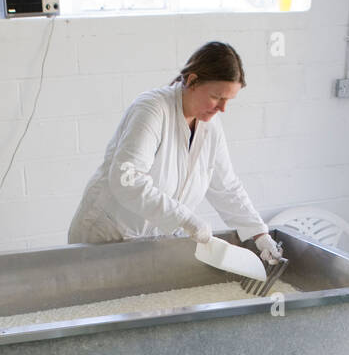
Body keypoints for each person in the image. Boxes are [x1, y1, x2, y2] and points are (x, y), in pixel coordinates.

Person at [67, 41, 282, 266]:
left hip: (149, 244)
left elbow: (226, 187)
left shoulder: (210, 127)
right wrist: (185, 218)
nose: (222, 108)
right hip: (106, 236)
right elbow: (126, 180)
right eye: (217, 97)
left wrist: (259, 233)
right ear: (192, 81)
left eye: (228, 100)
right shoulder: (152, 109)